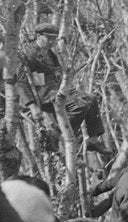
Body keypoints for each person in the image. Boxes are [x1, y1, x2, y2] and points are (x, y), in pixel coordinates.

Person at [18, 23, 110, 153]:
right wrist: (31, 105)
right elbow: (21, 81)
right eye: (48, 38)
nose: (51, 42)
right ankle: (55, 134)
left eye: (53, 39)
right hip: (42, 93)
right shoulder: (28, 54)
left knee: (91, 98)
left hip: (56, 89)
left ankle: (93, 141)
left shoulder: (50, 53)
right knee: (80, 105)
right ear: (38, 36)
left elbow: (57, 73)